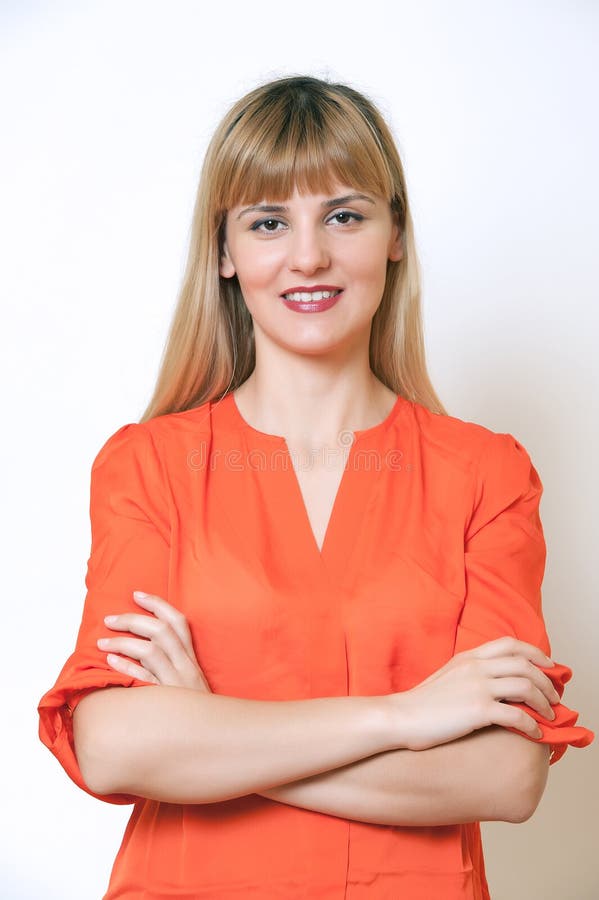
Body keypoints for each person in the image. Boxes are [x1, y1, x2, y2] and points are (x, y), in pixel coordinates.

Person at [38, 74, 594, 899]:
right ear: (225, 252)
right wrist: (405, 715)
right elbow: (115, 745)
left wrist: (212, 733)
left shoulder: (486, 474)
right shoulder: (147, 466)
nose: (308, 256)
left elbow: (505, 776)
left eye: (344, 214)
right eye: (268, 222)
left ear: (393, 233)